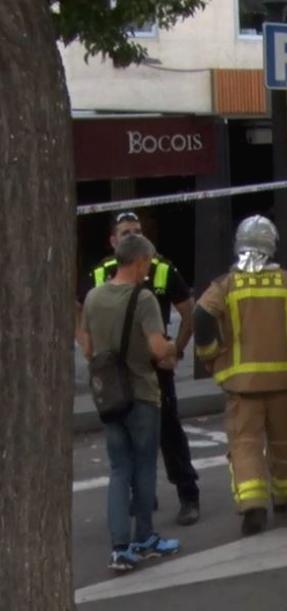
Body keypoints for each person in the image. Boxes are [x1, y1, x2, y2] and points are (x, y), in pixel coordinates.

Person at [194, 216, 287, 536]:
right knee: (285, 442)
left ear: (239, 244)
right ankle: (286, 496)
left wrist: (210, 353)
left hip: (242, 385)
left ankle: (253, 505)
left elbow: (202, 315)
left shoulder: (226, 284)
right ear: (272, 244)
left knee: (245, 444)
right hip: (286, 381)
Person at [78, 212, 201, 527]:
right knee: (129, 446)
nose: (131, 237)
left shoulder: (160, 269)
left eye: (137, 231)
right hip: (116, 374)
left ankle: (188, 496)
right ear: (112, 241)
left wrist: (177, 350)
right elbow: (79, 314)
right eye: (125, 232)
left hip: (154, 369)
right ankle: (143, 502)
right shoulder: (99, 275)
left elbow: (189, 310)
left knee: (169, 432)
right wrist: (91, 354)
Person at [80, 234, 182, 572]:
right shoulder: (144, 298)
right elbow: (156, 348)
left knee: (118, 469)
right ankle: (145, 538)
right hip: (140, 393)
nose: (149, 269)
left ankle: (119, 547)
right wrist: (172, 348)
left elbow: (88, 348)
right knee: (143, 467)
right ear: (138, 261)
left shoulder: (93, 297)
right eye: (148, 263)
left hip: (109, 396)